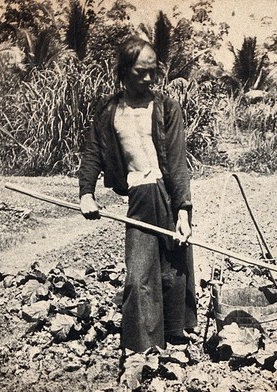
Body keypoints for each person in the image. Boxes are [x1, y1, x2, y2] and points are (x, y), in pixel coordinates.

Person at [78, 36, 197, 353]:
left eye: (152, 72)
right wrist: (86, 194)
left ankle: (175, 333)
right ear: (123, 71)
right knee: (139, 274)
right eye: (140, 72)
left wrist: (183, 212)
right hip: (139, 195)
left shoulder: (167, 108)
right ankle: (142, 347)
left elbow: (177, 160)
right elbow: (92, 155)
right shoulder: (108, 112)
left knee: (174, 265)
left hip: (167, 193)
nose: (148, 79)